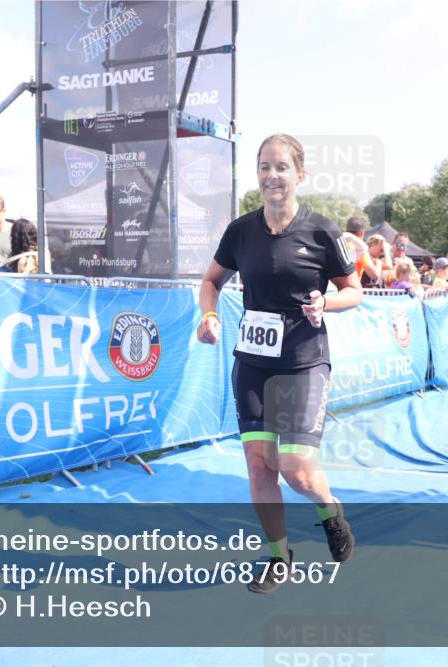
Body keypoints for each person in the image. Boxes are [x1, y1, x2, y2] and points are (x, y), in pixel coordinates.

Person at [196, 134, 362, 594]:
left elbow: (354, 290)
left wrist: (326, 302)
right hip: (253, 360)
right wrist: (208, 315)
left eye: (282, 167)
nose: (273, 175)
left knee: (296, 468)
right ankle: (278, 555)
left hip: (303, 361)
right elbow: (210, 281)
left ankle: (330, 512)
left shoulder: (320, 230)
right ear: (258, 175)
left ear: (299, 175)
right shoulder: (241, 231)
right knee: (258, 465)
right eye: (265, 167)